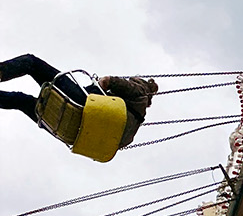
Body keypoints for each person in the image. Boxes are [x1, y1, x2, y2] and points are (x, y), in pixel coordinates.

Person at [0, 55, 158, 148]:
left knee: (31, 63)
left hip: (80, 104)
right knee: (21, 101)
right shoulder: (131, 130)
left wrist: (100, 83)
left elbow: (109, 81)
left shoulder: (140, 92)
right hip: (70, 131)